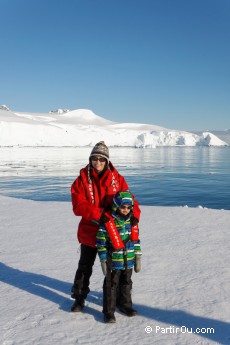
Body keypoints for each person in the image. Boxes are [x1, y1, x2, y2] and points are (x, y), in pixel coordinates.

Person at [70, 141, 141, 312]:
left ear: (107, 160)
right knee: (84, 267)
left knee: (113, 270)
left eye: (101, 159)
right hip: (89, 231)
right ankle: (79, 298)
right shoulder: (81, 181)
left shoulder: (118, 180)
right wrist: (99, 215)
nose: (98, 162)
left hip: (112, 233)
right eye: (94, 158)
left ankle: (117, 301)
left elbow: (129, 200)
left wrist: (134, 216)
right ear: (90, 159)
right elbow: (78, 206)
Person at [96, 190, 142, 323]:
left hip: (128, 261)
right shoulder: (108, 222)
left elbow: (136, 240)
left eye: (129, 207)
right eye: (123, 207)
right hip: (114, 260)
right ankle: (109, 312)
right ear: (116, 206)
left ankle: (125, 305)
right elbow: (101, 242)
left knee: (126, 283)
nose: (126, 210)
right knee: (111, 285)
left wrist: (138, 257)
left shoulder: (132, 222)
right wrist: (103, 259)